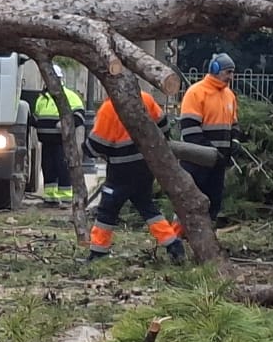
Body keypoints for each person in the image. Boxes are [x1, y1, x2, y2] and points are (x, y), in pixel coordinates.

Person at [85, 88, 186, 263]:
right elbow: (163, 125)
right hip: (145, 166)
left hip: (120, 170)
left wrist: (85, 148)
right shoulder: (145, 98)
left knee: (107, 210)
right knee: (147, 206)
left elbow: (96, 146)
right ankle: (172, 243)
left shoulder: (109, 108)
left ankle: (98, 251)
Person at [179, 53, 239, 222]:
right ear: (215, 70)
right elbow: (190, 130)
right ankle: (179, 234)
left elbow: (234, 125)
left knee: (214, 203)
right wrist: (209, 151)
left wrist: (234, 143)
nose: (231, 77)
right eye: (228, 72)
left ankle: (208, 233)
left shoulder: (229, 95)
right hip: (196, 162)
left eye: (232, 72)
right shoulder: (196, 93)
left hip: (218, 162)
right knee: (191, 204)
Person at [31, 62, 86, 205]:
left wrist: (66, 123)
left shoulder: (70, 96)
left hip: (62, 142)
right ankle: (51, 198)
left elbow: (80, 116)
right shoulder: (42, 98)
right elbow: (36, 118)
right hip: (46, 142)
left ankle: (66, 198)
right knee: (48, 168)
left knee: (63, 168)